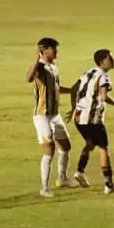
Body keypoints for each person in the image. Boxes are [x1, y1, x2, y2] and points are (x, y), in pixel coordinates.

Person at [72, 49, 114, 194]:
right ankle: (108, 185)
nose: (113, 60)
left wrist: (75, 107)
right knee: (103, 148)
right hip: (93, 119)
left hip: (78, 118)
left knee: (90, 144)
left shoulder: (87, 73)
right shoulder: (103, 77)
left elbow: (75, 89)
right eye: (111, 58)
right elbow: (103, 97)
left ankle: (79, 171)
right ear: (102, 61)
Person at [27, 38, 75, 197]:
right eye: (53, 48)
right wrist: (36, 57)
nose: (56, 51)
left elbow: (55, 89)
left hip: (54, 115)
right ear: (44, 50)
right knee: (49, 148)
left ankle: (62, 178)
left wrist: (72, 91)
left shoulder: (53, 67)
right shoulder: (39, 67)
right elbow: (28, 78)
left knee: (66, 145)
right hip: (42, 115)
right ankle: (44, 187)